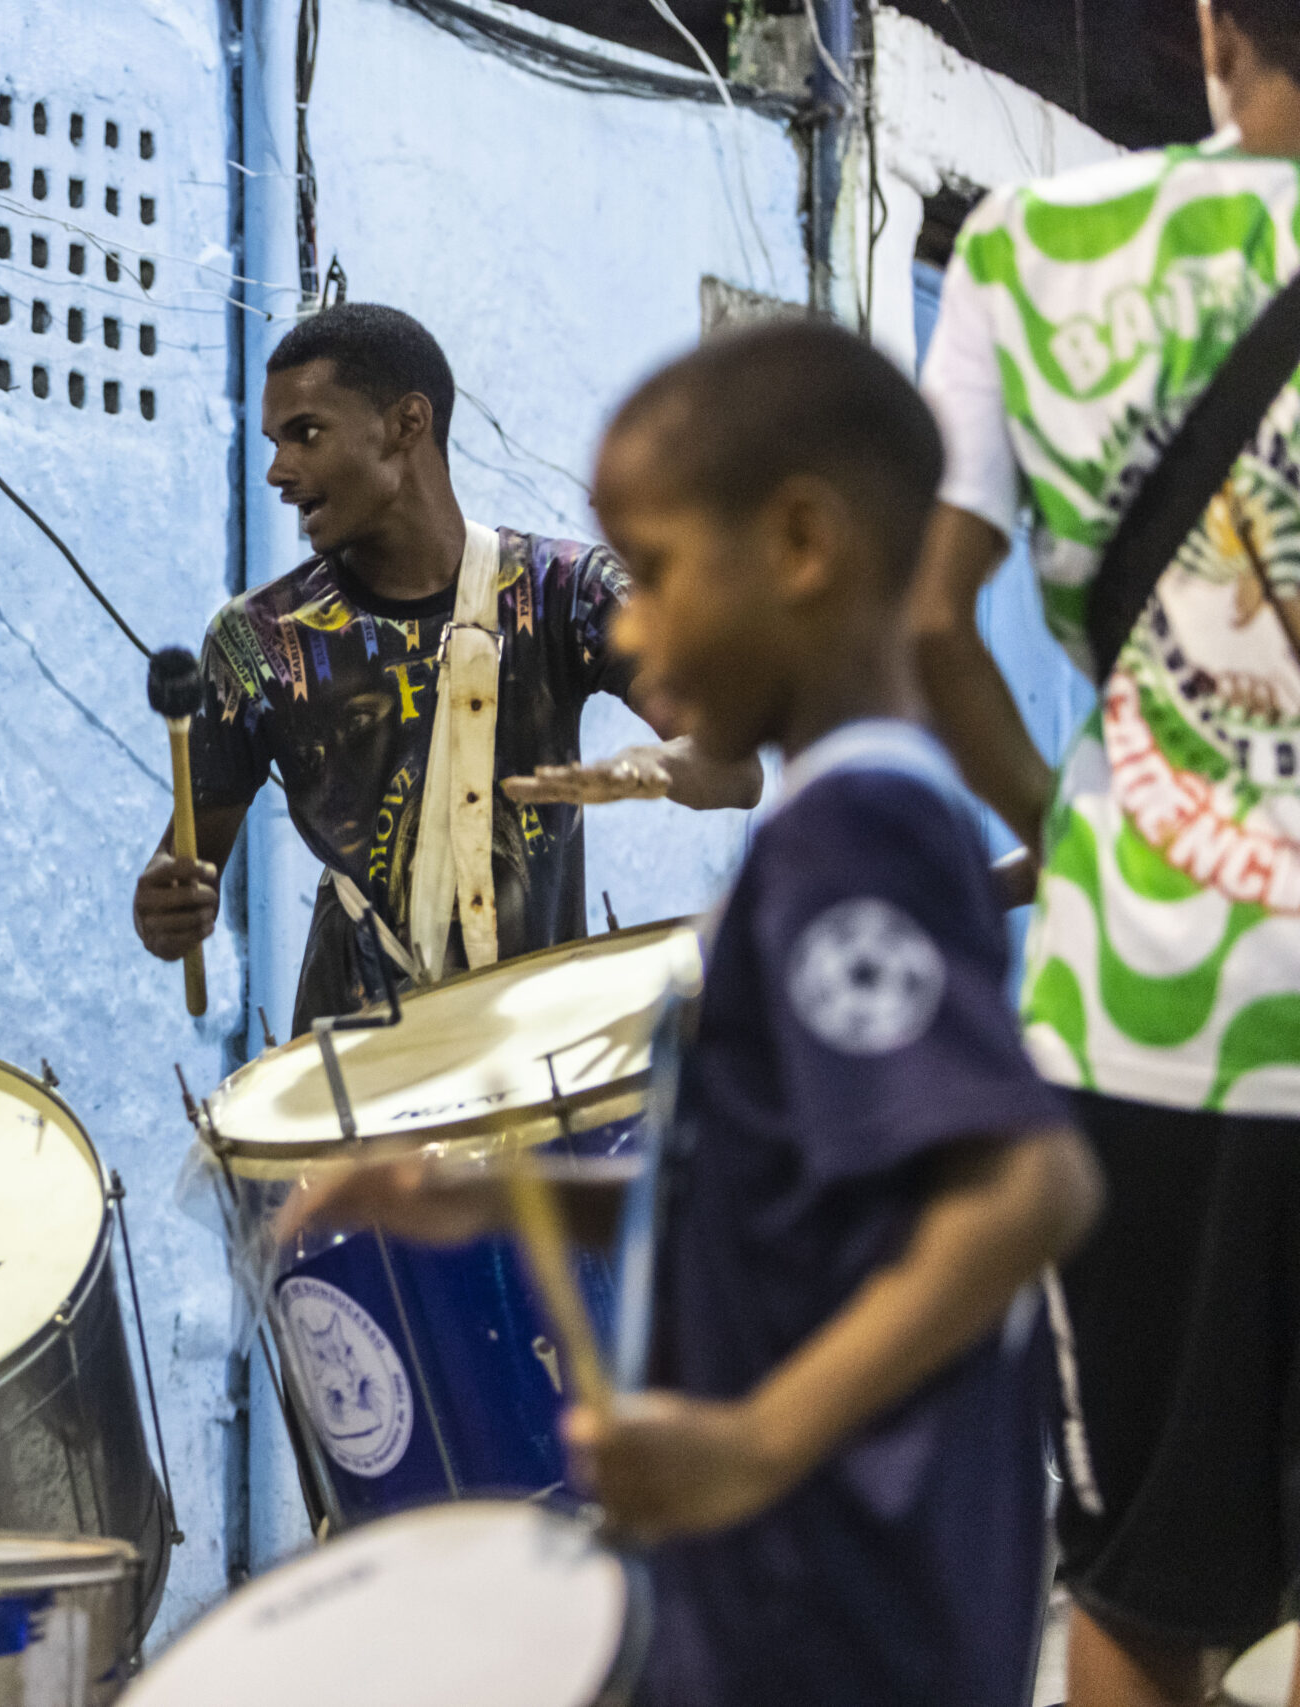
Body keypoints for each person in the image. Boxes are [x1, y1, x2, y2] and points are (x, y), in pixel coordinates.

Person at [282, 323, 1103, 1707]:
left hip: (852, 1598)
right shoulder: (842, 823)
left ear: (800, 545)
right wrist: (489, 1198)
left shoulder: (856, 835)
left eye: (657, 574)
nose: (633, 628)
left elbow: (1022, 1186)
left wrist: (758, 1441)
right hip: (791, 1591)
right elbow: (762, 1199)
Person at [911, 4, 1300, 1699]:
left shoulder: (1032, 248)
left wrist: (1076, 834)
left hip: (1145, 1004)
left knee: (1141, 1580)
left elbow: (931, 623)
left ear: (1215, 26)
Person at [130, 303, 759, 1029]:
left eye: (306, 433)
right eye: (275, 441)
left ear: (408, 423)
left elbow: (736, 771)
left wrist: (647, 770)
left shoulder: (566, 592)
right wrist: (163, 912)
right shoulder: (258, 642)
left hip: (535, 1048)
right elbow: (185, 875)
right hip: (352, 1065)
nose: (278, 471)